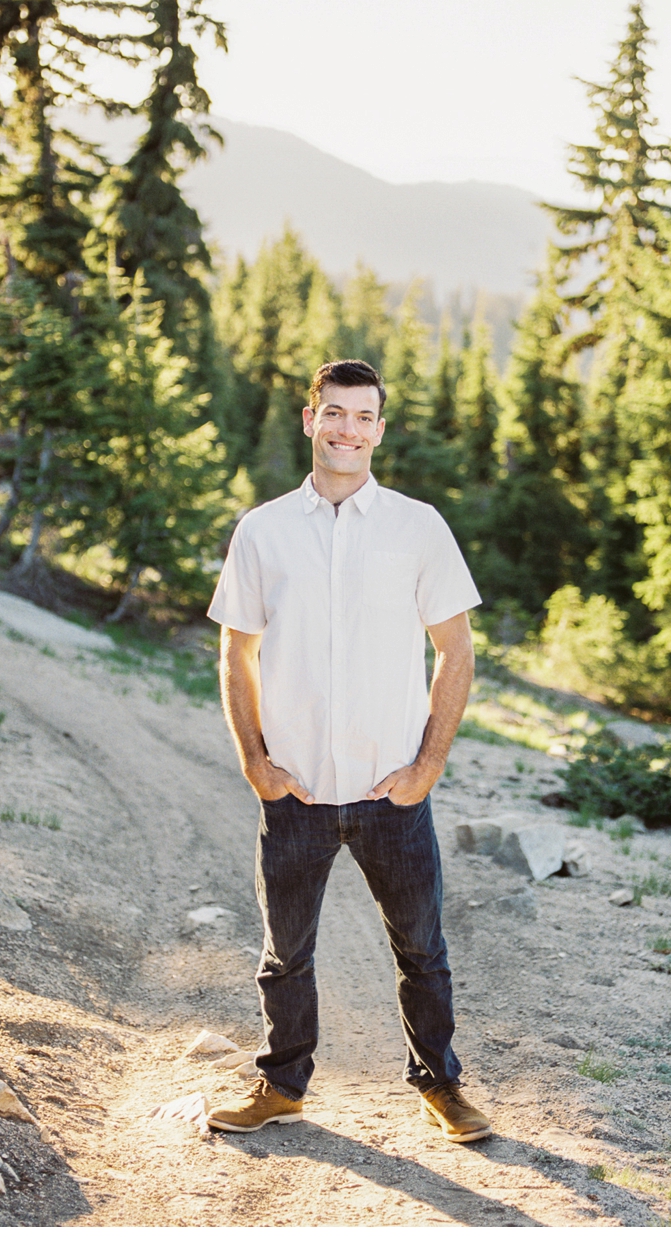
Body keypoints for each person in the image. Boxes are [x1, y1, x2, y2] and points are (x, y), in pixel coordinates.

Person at [201, 358, 490, 1144]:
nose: (347, 429)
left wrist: (427, 767)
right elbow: (237, 652)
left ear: (380, 430)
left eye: (364, 417)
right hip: (293, 794)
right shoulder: (262, 530)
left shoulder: (418, 527)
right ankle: (281, 1083)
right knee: (283, 954)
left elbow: (455, 652)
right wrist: (255, 761)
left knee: (423, 951)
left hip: (388, 792)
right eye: (335, 413)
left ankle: (443, 1085)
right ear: (310, 419)